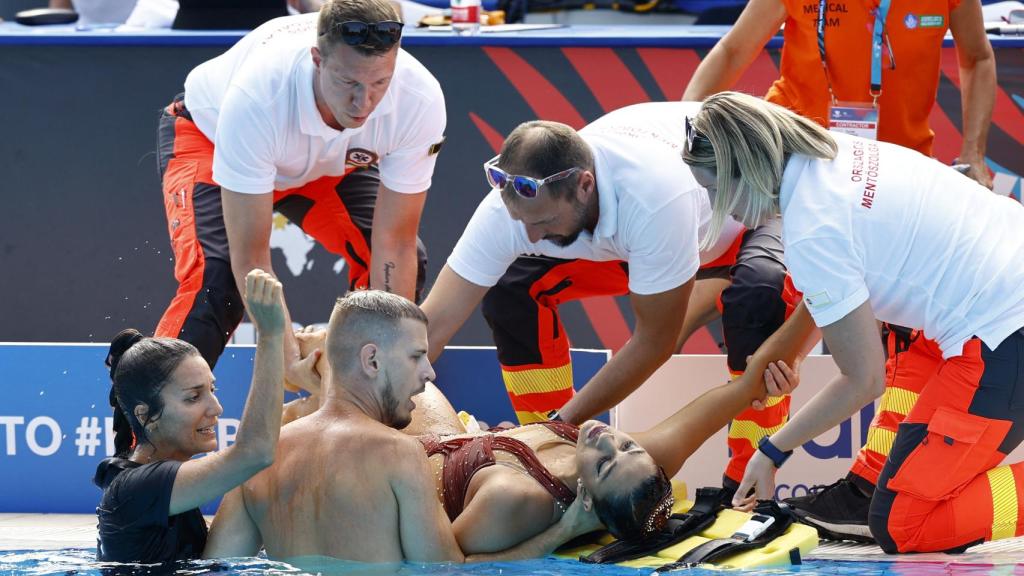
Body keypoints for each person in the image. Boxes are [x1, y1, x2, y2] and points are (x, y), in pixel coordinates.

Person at [683, 0, 997, 540]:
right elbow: (734, 48)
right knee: (759, 295)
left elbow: (860, 372)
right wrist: (685, 128)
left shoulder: (818, 223)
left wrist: (775, 449)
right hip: (814, 171)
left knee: (904, 521)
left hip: (890, 203)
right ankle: (749, 478)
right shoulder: (811, 204)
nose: (719, 209)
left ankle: (870, 481)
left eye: (715, 191)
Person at [421, 101, 796, 495]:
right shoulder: (509, 210)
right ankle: (549, 462)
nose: (531, 236)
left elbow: (656, 343)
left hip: (750, 215)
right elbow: (432, 327)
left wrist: (557, 424)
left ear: (584, 185)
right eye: (523, 223)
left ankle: (748, 489)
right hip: (655, 240)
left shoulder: (653, 197)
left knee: (758, 300)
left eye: (545, 222)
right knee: (512, 287)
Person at [227, 321, 800, 559]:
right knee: (334, 342)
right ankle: (311, 381)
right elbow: (739, 391)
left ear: (588, 501)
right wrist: (815, 313)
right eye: (626, 447)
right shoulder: (638, 465)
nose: (607, 440)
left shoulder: (517, 498)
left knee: (335, 356)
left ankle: (312, 384)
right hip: (448, 435)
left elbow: (450, 567)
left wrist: (559, 534)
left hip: (397, 463)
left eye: (604, 461)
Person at [153, 0, 446, 394]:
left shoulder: (419, 97)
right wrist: (287, 359)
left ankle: (363, 391)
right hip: (209, 136)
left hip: (325, 164)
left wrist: (391, 365)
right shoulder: (259, 96)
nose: (364, 103)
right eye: (349, 83)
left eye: (380, 83)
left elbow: (396, 242)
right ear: (317, 60)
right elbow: (251, 258)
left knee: (395, 265)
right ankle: (143, 440)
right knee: (216, 281)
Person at [201, 290, 468, 564]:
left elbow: (217, 567)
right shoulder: (399, 455)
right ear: (372, 360)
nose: (430, 372)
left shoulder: (261, 460)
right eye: (416, 356)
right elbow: (443, 570)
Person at [94, 269, 286, 563]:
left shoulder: (158, 484)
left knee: (245, 487)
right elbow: (255, 452)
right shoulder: (137, 489)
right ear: (147, 416)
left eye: (212, 389)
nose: (216, 408)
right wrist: (272, 337)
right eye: (194, 397)